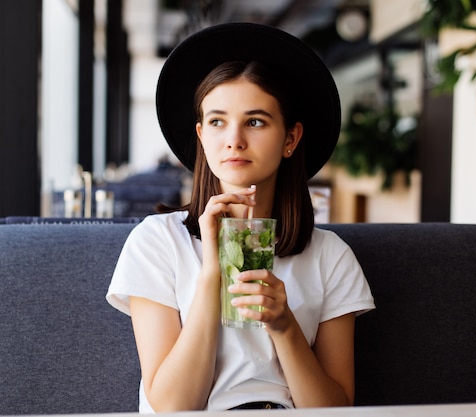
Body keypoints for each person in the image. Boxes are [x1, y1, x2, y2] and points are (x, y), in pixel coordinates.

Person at [106, 22, 375, 413]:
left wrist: (284, 325)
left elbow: (334, 410)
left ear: (290, 139)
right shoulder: (157, 242)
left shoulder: (330, 256)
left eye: (255, 121)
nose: (234, 139)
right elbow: (172, 408)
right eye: (217, 121)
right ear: (201, 136)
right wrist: (212, 271)